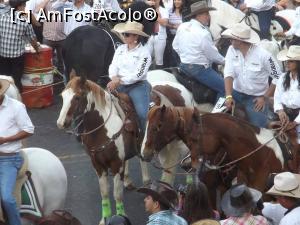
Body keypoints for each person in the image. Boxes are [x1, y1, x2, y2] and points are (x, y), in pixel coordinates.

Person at [222, 23, 282, 128]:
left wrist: (264, 97)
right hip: (235, 93)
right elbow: (228, 73)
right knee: (217, 117)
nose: (230, 41)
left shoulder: (264, 55)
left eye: (232, 38)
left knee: (257, 127)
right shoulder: (231, 50)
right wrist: (228, 96)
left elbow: (278, 77)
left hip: (257, 98)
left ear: (239, 40)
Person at [173, 1, 225, 98]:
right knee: (226, 89)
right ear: (198, 15)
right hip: (199, 69)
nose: (208, 17)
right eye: (206, 14)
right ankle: (218, 112)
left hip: (183, 65)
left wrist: (186, 55)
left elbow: (175, 45)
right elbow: (213, 56)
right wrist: (225, 62)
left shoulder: (182, 26)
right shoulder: (203, 33)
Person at [0, 79, 35, 225]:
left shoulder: (16, 107)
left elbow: (29, 129)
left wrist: (5, 139)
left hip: (9, 159)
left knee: (7, 198)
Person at [107, 21, 151, 134]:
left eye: (126, 34)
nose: (123, 36)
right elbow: (113, 65)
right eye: (123, 34)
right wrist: (113, 77)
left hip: (137, 86)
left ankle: (144, 136)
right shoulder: (120, 49)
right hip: (118, 83)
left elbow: (138, 74)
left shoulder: (145, 53)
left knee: (142, 114)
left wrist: (118, 81)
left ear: (136, 36)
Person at [0, 0, 40, 92]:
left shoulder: (2, 17)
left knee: (4, 80)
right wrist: (37, 50)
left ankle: (3, 99)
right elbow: (33, 40)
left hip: (2, 55)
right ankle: (16, 99)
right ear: (19, 6)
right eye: (24, 6)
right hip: (16, 58)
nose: (25, 8)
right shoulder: (24, 21)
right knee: (16, 80)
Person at [146, 0, 169, 69]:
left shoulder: (164, 10)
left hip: (160, 37)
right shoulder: (146, 10)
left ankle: (159, 75)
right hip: (149, 36)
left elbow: (164, 23)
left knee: (159, 60)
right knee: (146, 58)